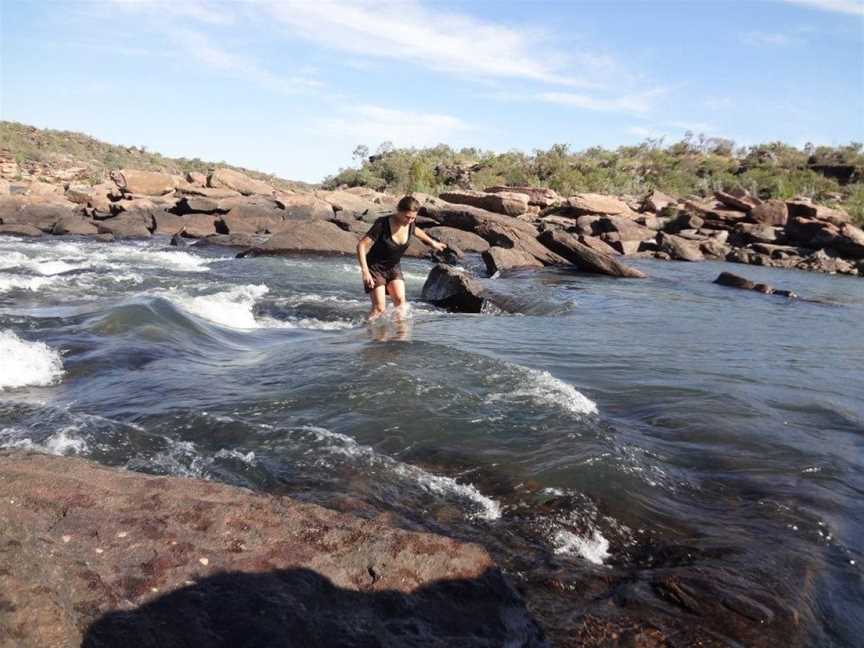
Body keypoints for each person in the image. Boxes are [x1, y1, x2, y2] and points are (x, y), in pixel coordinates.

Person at [356, 195, 446, 319]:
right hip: (375, 269)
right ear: (399, 211)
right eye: (407, 217)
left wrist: (432, 242)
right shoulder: (383, 224)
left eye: (413, 218)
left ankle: (400, 336)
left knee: (400, 304)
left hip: (394, 267)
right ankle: (365, 331)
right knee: (379, 309)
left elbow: (416, 230)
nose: (409, 221)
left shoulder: (410, 224)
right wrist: (365, 272)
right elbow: (361, 245)